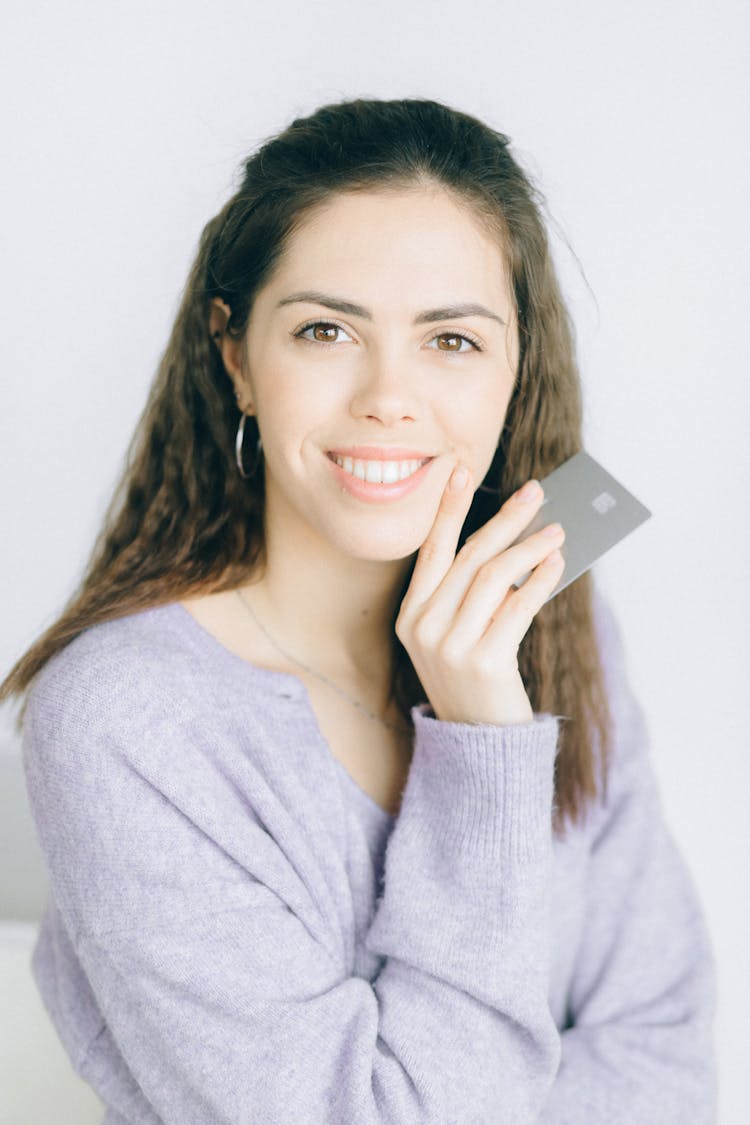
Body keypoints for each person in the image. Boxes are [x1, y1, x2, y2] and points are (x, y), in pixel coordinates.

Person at [0, 97, 716, 1123]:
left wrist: (494, 698)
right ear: (238, 355)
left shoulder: (557, 628)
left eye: (453, 341)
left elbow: (662, 1052)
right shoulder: (123, 721)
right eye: (326, 330)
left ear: (517, 368)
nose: (390, 396)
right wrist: (484, 751)